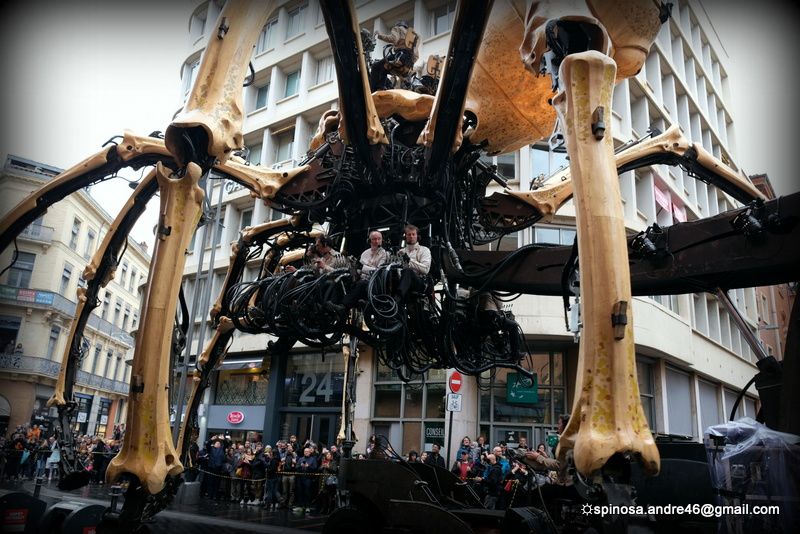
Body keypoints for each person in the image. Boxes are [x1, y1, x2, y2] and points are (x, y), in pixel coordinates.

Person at [370, 21, 421, 90]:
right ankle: (407, 83)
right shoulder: (412, 36)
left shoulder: (398, 29)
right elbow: (416, 56)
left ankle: (375, 88)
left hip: (399, 56)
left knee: (376, 66)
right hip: (408, 64)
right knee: (385, 67)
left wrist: (379, 35)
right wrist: (408, 63)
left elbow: (393, 39)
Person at [395, 225, 432, 303]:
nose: (411, 236)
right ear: (405, 237)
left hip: (420, 282)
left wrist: (409, 260)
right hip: (402, 281)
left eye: (413, 234)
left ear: (417, 236)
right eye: (409, 234)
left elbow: (425, 270)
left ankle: (396, 300)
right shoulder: (401, 252)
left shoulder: (424, 250)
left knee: (408, 271)